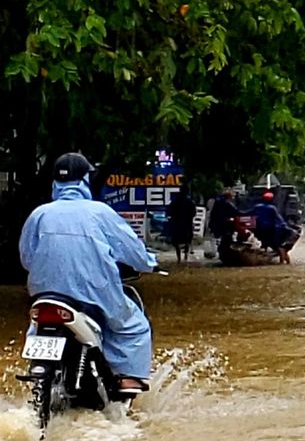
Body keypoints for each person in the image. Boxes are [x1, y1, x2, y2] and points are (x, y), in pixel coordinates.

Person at [19, 153, 157, 395]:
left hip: (44, 294)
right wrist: (150, 263)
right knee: (133, 327)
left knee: (35, 326)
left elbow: (27, 258)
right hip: (93, 295)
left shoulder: (39, 214)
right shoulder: (100, 212)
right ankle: (128, 382)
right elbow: (133, 252)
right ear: (84, 180)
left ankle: (38, 371)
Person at [250, 188, 299, 264]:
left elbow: (248, 214)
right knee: (279, 247)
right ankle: (283, 262)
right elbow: (279, 220)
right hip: (274, 230)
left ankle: (282, 262)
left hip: (263, 230)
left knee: (275, 246)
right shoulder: (272, 208)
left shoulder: (257, 207)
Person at [165, 187, 198, 264]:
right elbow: (194, 213)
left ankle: (179, 258)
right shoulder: (190, 202)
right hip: (187, 223)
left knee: (176, 241)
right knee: (187, 240)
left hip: (176, 224)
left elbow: (169, 211)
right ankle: (185, 256)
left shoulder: (175, 201)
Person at [207, 188, 241, 257]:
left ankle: (216, 253)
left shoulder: (218, 202)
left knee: (216, 238)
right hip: (223, 224)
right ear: (229, 196)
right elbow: (236, 211)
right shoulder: (227, 203)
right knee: (224, 238)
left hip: (216, 224)